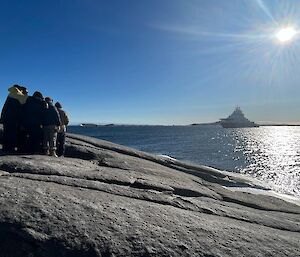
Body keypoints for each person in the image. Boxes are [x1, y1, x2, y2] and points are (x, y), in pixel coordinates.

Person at [0, 85, 28, 153]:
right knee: (11, 133)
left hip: (7, 118)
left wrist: (2, 118)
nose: (26, 93)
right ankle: (10, 149)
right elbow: (19, 109)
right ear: (21, 90)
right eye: (26, 92)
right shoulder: (18, 95)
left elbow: (5, 108)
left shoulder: (11, 94)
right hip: (13, 119)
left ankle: (6, 148)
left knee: (7, 133)